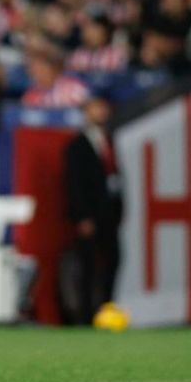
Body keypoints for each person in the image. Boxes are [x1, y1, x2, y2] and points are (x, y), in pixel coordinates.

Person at [62, 96, 122, 324]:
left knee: (113, 261)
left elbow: (114, 179)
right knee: (87, 266)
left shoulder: (109, 140)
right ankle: (85, 316)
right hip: (89, 217)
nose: (101, 112)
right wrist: (82, 216)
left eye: (103, 107)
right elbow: (74, 184)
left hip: (110, 215)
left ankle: (106, 310)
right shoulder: (77, 145)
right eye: (96, 108)